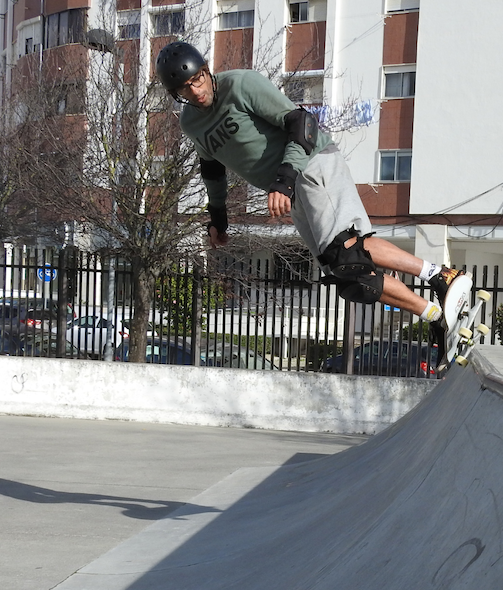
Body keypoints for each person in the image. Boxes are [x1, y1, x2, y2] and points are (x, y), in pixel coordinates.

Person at [155, 42, 465, 357]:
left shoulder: (241, 84)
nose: (195, 92)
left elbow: (301, 123)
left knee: (348, 251)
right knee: (350, 276)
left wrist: (284, 180)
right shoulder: (191, 123)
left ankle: (441, 275)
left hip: (312, 164)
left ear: (206, 71)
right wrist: (218, 218)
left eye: (197, 81)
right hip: (292, 190)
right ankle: (438, 317)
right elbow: (212, 169)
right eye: (184, 89)